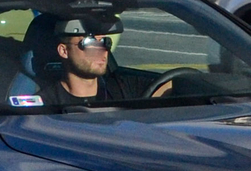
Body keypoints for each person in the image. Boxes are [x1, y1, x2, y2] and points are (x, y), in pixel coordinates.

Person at [9, 12, 173, 107]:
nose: (101, 50)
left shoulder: (122, 87)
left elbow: (177, 86)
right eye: (89, 43)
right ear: (64, 51)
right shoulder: (45, 104)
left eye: (104, 42)